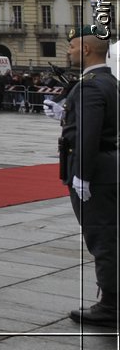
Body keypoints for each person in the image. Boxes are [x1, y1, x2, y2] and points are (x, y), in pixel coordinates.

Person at [56, 22, 117, 328]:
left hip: (96, 174)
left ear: (87, 49)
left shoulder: (90, 85)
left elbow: (89, 134)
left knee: (101, 236)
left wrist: (81, 174)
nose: (68, 51)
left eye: (72, 46)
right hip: (110, 168)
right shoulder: (110, 82)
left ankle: (110, 305)